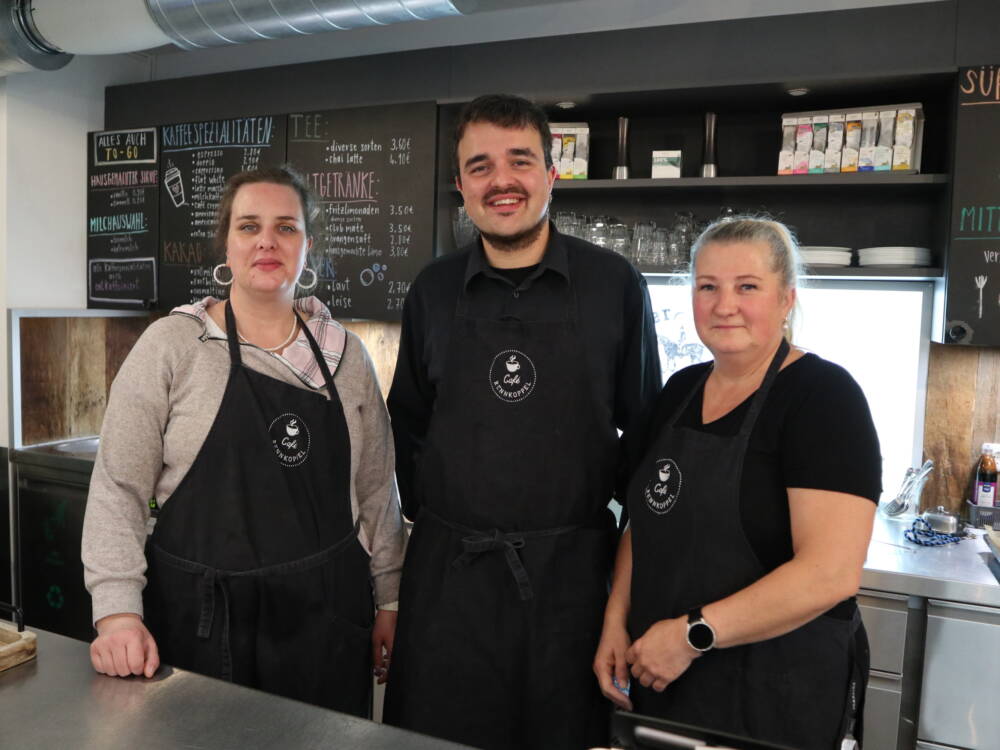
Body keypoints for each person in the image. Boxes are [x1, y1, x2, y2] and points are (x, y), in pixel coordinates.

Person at [382, 94, 661, 749]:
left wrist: (620, 597)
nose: (500, 180)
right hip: (450, 584)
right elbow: (405, 428)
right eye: (479, 166)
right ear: (460, 185)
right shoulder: (432, 289)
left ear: (550, 173)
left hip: (572, 586)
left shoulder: (613, 284)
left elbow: (646, 439)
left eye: (519, 161)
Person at [82, 166, 406, 715]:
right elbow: (119, 489)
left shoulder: (345, 356)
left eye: (286, 227)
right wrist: (117, 614)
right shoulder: (173, 345)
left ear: (307, 247)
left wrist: (391, 598)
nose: (267, 241)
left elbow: (378, 491)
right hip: (200, 625)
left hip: (324, 624)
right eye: (249, 226)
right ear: (226, 245)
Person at [594, 217, 881, 750]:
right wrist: (616, 620)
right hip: (663, 680)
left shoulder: (824, 400)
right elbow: (645, 519)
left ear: (786, 298)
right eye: (708, 287)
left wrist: (690, 635)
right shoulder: (678, 391)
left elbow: (831, 574)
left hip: (772, 693)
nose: (725, 305)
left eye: (747, 286)